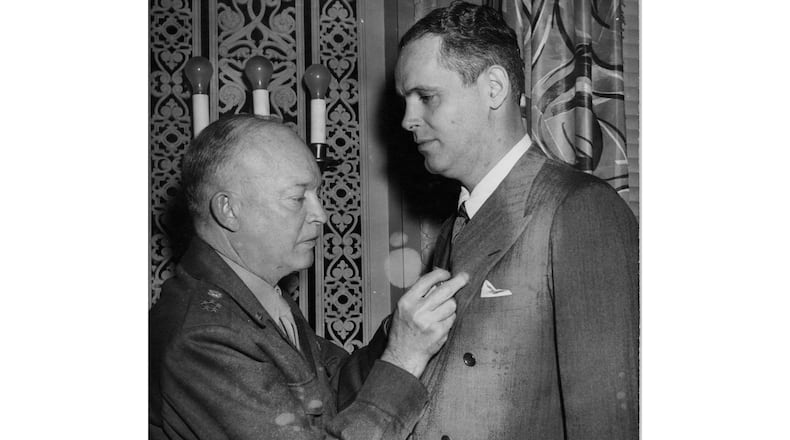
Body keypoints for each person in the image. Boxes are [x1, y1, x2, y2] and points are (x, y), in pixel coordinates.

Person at [343, 2, 639, 439]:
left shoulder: (580, 210)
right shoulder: (455, 227)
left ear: (494, 88)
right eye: (406, 100)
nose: (407, 120)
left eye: (426, 97)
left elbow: (606, 425)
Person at [148, 114, 468, 440]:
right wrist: (404, 358)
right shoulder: (203, 336)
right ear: (228, 210)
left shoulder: (255, 294)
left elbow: (332, 387)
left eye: (317, 194)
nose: (321, 215)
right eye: (298, 198)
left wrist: (398, 331)